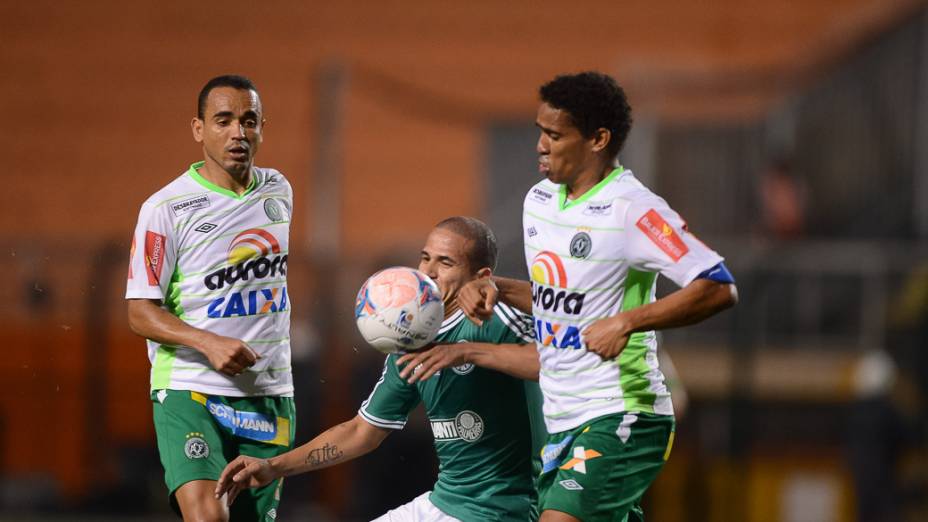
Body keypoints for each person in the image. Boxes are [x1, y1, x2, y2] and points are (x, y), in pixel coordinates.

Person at [456, 71, 739, 522]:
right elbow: (561, 299)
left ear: (597, 139)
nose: (540, 146)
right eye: (539, 132)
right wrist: (498, 287)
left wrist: (627, 322)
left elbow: (717, 286)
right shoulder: (539, 201)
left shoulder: (634, 210)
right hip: (562, 418)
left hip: (622, 412)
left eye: (554, 134)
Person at [215, 217, 547, 522]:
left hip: (505, 510)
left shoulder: (500, 319)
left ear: (482, 278)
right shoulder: (411, 338)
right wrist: (273, 467)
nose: (428, 271)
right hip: (446, 502)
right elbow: (362, 432)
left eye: (445, 262)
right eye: (425, 257)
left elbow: (552, 363)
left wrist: (469, 353)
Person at [126, 74, 296, 521]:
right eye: (223, 121)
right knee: (209, 517)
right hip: (191, 388)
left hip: (268, 392)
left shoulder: (279, 191)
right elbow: (140, 312)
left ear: (261, 127)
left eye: (248, 121)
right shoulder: (166, 209)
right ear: (198, 129)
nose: (238, 133)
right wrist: (209, 342)